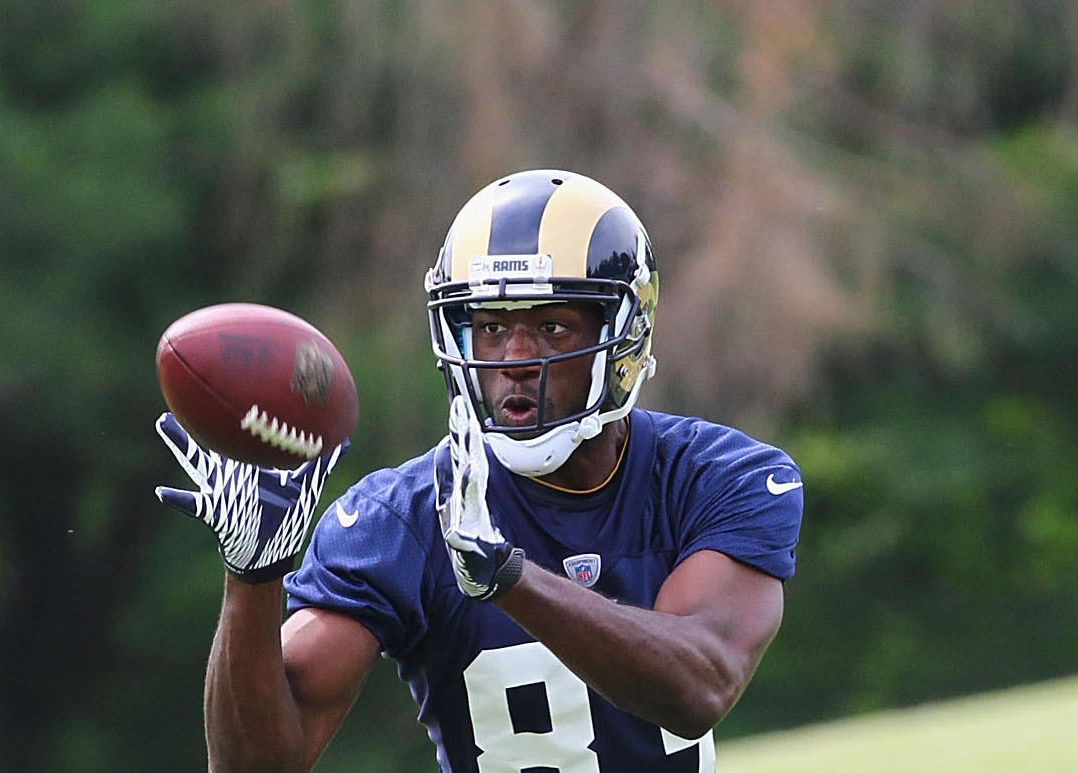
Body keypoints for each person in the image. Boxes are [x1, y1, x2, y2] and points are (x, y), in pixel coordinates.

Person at [155, 168, 804, 772]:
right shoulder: (403, 518)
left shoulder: (720, 477)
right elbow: (257, 764)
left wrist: (506, 576)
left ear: (624, 336)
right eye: (490, 327)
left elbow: (700, 683)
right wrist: (252, 579)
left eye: (551, 326)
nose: (515, 357)